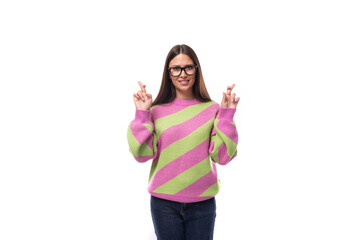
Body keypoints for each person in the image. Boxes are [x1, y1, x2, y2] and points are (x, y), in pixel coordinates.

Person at [127, 44, 239, 240]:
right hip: (164, 204)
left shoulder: (212, 109)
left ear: (196, 70)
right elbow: (141, 154)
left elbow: (222, 157)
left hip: (203, 204)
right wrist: (142, 114)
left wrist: (227, 115)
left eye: (188, 67)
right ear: (168, 73)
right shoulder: (156, 111)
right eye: (176, 68)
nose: (182, 74)